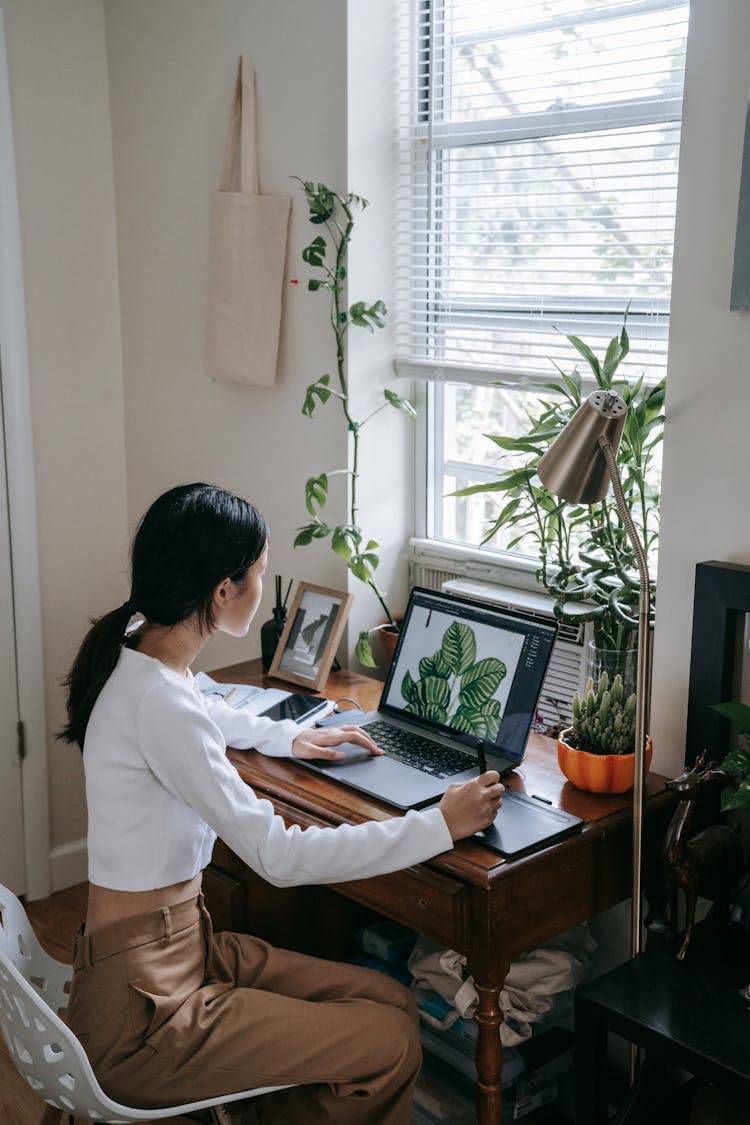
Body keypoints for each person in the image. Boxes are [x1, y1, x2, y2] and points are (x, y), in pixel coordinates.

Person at [60, 482, 504, 1124]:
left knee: (391, 1001)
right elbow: (279, 856)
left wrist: (295, 735)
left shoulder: (139, 652)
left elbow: (207, 708)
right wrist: (438, 823)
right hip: (146, 1009)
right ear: (223, 590)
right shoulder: (163, 704)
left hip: (176, 950)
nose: (265, 589)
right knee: (392, 1042)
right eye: (261, 575)